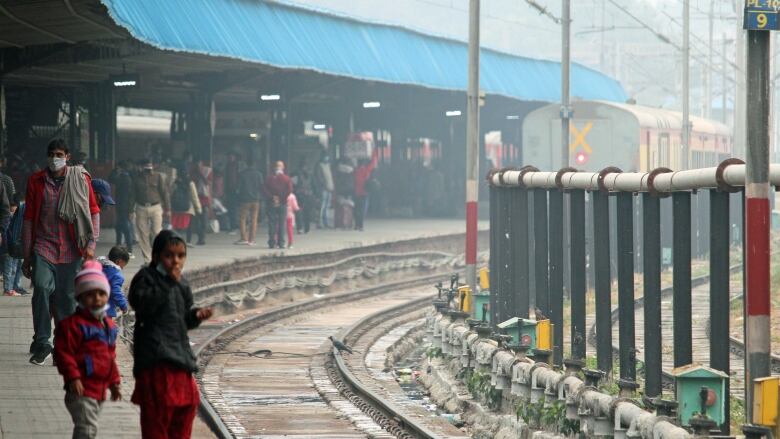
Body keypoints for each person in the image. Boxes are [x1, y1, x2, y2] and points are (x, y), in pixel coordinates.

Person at [128, 230, 213, 439]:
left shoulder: (182, 283)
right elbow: (142, 305)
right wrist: (167, 283)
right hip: (155, 358)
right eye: (169, 255)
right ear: (156, 256)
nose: (175, 261)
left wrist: (196, 315)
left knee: (185, 411)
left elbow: (183, 320)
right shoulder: (145, 277)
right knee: (157, 419)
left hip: (179, 357)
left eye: (180, 256)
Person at [23, 138, 99, 366]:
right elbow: (28, 220)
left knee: (66, 299)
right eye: (52, 154)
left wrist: (91, 245)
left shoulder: (80, 179)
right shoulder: (36, 181)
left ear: (67, 157)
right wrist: (27, 255)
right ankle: (43, 341)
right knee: (42, 288)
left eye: (59, 154)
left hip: (71, 249)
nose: (55, 158)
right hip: (44, 246)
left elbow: (93, 212)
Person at [54, 260, 121, 439]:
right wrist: (73, 377)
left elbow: (110, 356)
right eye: (90, 294)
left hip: (98, 389)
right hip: (81, 389)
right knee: (87, 429)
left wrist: (114, 383)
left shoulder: (108, 325)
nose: (97, 298)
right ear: (80, 297)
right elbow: (64, 354)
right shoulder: (73, 326)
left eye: (101, 293)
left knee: (85, 429)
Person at [130, 159, 170, 264]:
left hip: (156, 206)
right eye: (145, 166)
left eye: (149, 166)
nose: (147, 168)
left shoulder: (158, 177)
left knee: (157, 232)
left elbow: (164, 193)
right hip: (140, 207)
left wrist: (168, 209)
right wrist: (130, 210)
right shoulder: (136, 178)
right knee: (143, 234)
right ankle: (148, 260)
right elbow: (132, 195)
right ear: (141, 167)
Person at [263, 161, 292, 249]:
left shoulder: (269, 179)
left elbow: (264, 189)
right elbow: (289, 190)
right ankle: (281, 243)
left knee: (272, 223)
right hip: (282, 203)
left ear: (274, 168)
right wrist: (282, 198)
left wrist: (272, 197)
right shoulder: (287, 178)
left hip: (271, 203)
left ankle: (272, 243)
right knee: (281, 223)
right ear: (283, 168)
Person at [109, 161, 134, 257]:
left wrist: (115, 170)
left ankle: (128, 247)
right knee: (120, 226)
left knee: (124, 227)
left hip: (123, 206)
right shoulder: (127, 177)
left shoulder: (124, 178)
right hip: (124, 205)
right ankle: (120, 246)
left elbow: (111, 179)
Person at [236, 160, 263, 246]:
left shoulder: (242, 174)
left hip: (245, 200)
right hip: (256, 200)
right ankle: (252, 239)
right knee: (254, 220)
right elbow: (261, 186)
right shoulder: (259, 174)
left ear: (246, 164)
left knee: (243, 219)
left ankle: (244, 238)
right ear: (254, 164)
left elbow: (238, 187)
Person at [170, 165, 202, 240]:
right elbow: (195, 197)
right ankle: (188, 240)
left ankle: (177, 239)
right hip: (188, 207)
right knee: (189, 225)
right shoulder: (190, 183)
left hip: (176, 207)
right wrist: (198, 208)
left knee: (177, 225)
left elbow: (170, 194)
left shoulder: (175, 182)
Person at [98, 246, 129, 318]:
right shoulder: (116, 275)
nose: (122, 268)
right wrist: (124, 306)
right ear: (119, 261)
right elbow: (116, 292)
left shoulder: (101, 267)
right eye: (123, 265)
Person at [3, 194, 25, 296]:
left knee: (14, 268)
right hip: (10, 246)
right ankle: (8, 289)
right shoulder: (10, 217)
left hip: (14, 245)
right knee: (10, 268)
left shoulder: (14, 216)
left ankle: (12, 287)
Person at [353, 149, 379, 231]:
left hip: (356, 192)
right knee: (362, 210)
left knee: (356, 209)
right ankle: (360, 225)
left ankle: (357, 225)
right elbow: (373, 163)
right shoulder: (365, 170)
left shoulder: (355, 171)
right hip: (364, 193)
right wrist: (374, 151)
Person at [191, 159, 212, 246]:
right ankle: (200, 237)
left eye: (199, 164)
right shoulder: (192, 172)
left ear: (202, 164)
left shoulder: (207, 171)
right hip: (195, 198)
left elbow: (208, 183)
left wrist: (201, 174)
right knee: (196, 220)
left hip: (204, 199)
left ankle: (202, 238)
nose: (198, 166)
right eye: (197, 165)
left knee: (203, 220)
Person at [292, 163, 314, 234]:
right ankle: (306, 228)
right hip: (307, 195)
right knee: (306, 212)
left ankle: (300, 228)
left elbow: (293, 184)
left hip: (300, 195)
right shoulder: (310, 175)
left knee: (299, 212)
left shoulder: (296, 174)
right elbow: (314, 185)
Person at [314, 154, 334, 228]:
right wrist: (324, 185)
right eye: (325, 156)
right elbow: (319, 178)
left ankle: (326, 222)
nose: (327, 158)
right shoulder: (319, 166)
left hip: (330, 188)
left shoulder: (328, 165)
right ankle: (320, 223)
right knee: (322, 206)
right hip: (323, 189)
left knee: (327, 206)